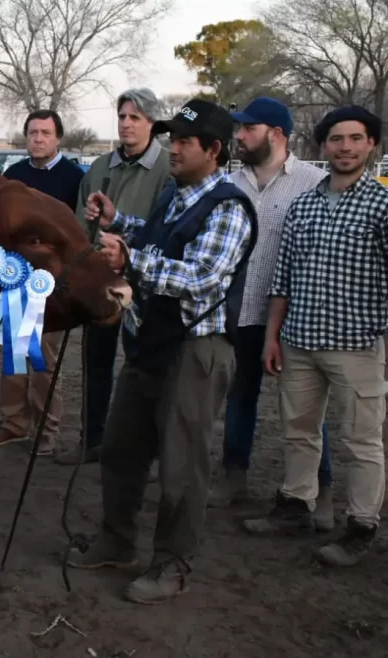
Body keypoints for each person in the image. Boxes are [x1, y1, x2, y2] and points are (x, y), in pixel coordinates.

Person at [67, 99, 255, 604]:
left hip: (196, 350)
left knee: (182, 467)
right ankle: (116, 540)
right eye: (172, 139)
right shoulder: (179, 196)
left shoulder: (229, 207)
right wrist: (120, 221)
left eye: (184, 142)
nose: (173, 147)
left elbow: (201, 277)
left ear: (213, 150)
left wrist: (131, 260)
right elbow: (160, 240)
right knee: (123, 449)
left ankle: (172, 565)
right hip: (154, 342)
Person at [243, 106, 388, 568]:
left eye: (355, 138)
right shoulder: (303, 205)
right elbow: (282, 278)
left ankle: (361, 525)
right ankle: (295, 506)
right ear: (323, 146)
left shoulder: (382, 206)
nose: (345, 147)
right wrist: (272, 338)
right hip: (299, 341)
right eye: (336, 139)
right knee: (298, 431)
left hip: (357, 346)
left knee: (361, 441)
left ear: (371, 145)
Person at [208, 97, 333, 527]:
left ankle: (322, 489)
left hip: (295, 316)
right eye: (239, 129)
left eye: (248, 129)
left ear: (276, 133)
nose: (239, 136)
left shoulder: (315, 182)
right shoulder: (230, 183)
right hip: (239, 311)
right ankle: (234, 478)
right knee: (239, 396)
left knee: (305, 409)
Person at [56, 88, 173, 466]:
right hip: (101, 283)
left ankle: (146, 455)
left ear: (152, 124)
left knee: (146, 368)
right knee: (96, 363)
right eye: (122, 116)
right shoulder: (99, 168)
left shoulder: (169, 170)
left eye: (135, 117)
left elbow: (168, 232)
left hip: (149, 284)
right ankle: (91, 441)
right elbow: (78, 228)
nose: (126, 123)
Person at [0, 110, 85, 456]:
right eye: (32, 132)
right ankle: (13, 423)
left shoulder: (73, 178)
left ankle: (46, 428)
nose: (38, 139)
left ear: (58, 138)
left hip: (52, 285)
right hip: (14, 277)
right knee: (12, 354)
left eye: (45, 133)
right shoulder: (14, 176)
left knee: (42, 358)